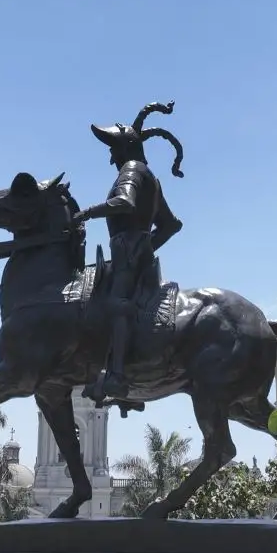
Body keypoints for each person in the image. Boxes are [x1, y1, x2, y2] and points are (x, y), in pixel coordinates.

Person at [74, 102, 184, 408]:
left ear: (125, 148)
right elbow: (171, 225)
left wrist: (86, 213)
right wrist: (146, 247)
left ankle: (118, 375)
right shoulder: (152, 178)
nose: (111, 156)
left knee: (115, 305)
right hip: (133, 255)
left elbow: (124, 201)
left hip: (127, 254)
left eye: (114, 148)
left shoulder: (132, 170)